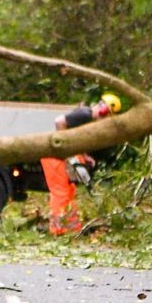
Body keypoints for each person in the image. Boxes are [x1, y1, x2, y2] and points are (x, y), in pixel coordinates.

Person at [41, 93, 121, 235]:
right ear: (104, 111)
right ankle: (57, 229)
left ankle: (71, 226)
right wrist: (64, 149)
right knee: (60, 192)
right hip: (55, 156)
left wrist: (82, 154)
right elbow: (59, 122)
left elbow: (76, 138)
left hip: (63, 156)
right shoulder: (85, 114)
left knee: (70, 190)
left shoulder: (88, 120)